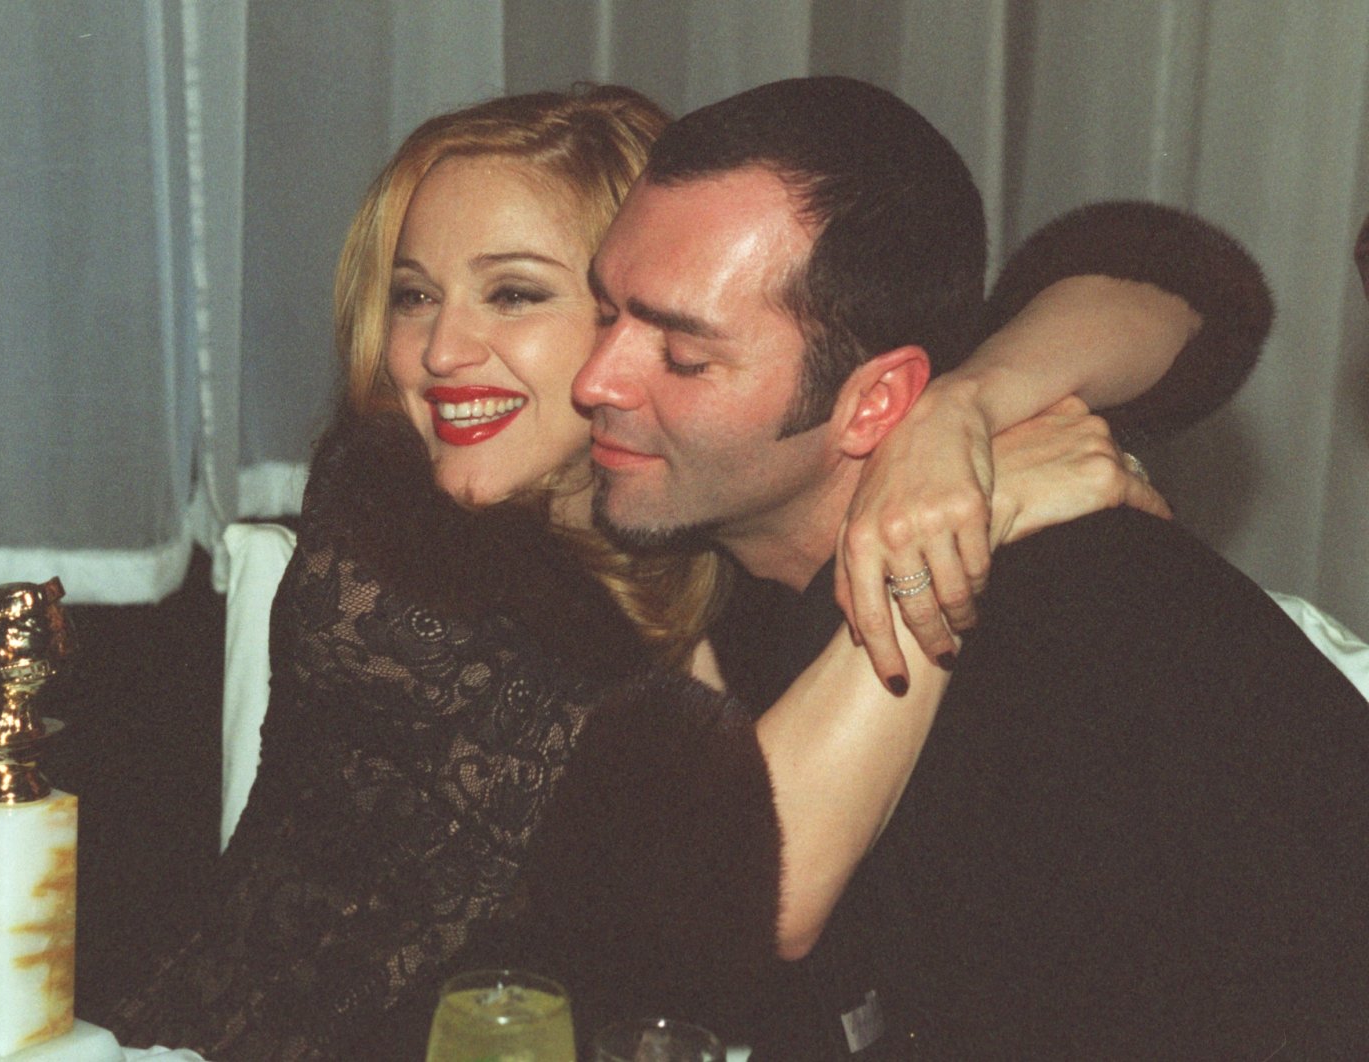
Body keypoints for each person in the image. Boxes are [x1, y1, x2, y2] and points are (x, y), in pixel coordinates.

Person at [104, 84, 1269, 1059]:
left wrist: (964, 410)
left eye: (514, 293)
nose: (438, 349)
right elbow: (749, 887)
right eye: (413, 294)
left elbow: (1180, 282)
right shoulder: (385, 538)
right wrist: (983, 502)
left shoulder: (690, 515)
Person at [543, 76, 1369, 1058]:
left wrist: (962, 411)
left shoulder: (1061, 651)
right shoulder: (710, 559)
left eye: (682, 354)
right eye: (603, 313)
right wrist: (966, 410)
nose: (594, 380)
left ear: (874, 402)